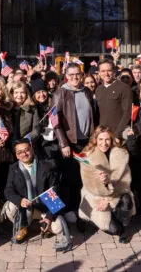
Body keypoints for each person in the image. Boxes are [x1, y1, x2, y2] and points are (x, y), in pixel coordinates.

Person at [3, 140, 71, 251]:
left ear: (32, 149)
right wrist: (20, 200)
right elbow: (8, 190)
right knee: (10, 207)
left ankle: (45, 226)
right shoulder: (13, 168)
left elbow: (55, 192)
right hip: (26, 208)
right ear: (16, 155)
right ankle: (23, 227)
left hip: (43, 207)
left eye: (26, 150)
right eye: (20, 152)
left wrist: (49, 216)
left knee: (58, 228)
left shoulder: (46, 165)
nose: (24, 154)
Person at [78, 126, 134, 243]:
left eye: (107, 139)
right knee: (114, 229)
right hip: (95, 196)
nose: (104, 143)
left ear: (112, 139)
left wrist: (108, 199)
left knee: (127, 199)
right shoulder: (87, 156)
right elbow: (90, 185)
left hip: (114, 195)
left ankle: (124, 229)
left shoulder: (120, 153)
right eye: (101, 139)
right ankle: (90, 219)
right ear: (95, 140)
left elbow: (125, 182)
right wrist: (104, 185)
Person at [53, 63, 95, 215]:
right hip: (70, 143)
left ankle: (80, 211)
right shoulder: (60, 93)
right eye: (71, 75)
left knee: (82, 179)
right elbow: (55, 122)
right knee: (68, 179)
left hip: (86, 142)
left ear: (82, 75)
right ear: (66, 76)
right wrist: (64, 144)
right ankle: (65, 211)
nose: (75, 77)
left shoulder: (87, 91)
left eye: (77, 74)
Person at [95, 60, 133, 139]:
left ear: (114, 71)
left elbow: (127, 113)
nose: (106, 74)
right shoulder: (98, 89)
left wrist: (118, 134)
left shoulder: (124, 88)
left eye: (109, 70)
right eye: (103, 71)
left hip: (118, 135)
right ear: (99, 73)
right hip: (103, 136)